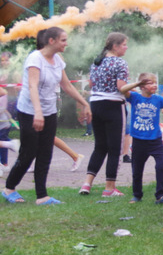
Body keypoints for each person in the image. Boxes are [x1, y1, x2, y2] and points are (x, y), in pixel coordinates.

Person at [3, 27, 91, 205]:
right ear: (51, 41)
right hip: (29, 111)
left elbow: (67, 85)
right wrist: (37, 112)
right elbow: (32, 86)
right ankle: (9, 189)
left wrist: (85, 103)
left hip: (49, 111)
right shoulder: (35, 58)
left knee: (45, 153)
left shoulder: (58, 60)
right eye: (63, 40)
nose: (66, 43)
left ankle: (42, 196)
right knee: (28, 153)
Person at [80, 32, 129, 197]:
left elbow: (91, 84)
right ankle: (109, 188)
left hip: (96, 104)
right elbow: (121, 87)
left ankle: (87, 184)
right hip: (113, 105)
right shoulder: (120, 63)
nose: (126, 48)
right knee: (115, 148)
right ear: (115, 46)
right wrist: (136, 86)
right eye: (124, 44)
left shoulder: (96, 62)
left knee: (100, 146)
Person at [122, 72, 163, 204]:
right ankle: (137, 195)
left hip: (155, 141)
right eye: (151, 83)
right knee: (137, 170)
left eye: (155, 82)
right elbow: (122, 90)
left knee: (161, 166)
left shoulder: (158, 99)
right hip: (139, 140)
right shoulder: (135, 97)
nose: (155, 85)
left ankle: (160, 195)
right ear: (142, 86)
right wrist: (138, 83)